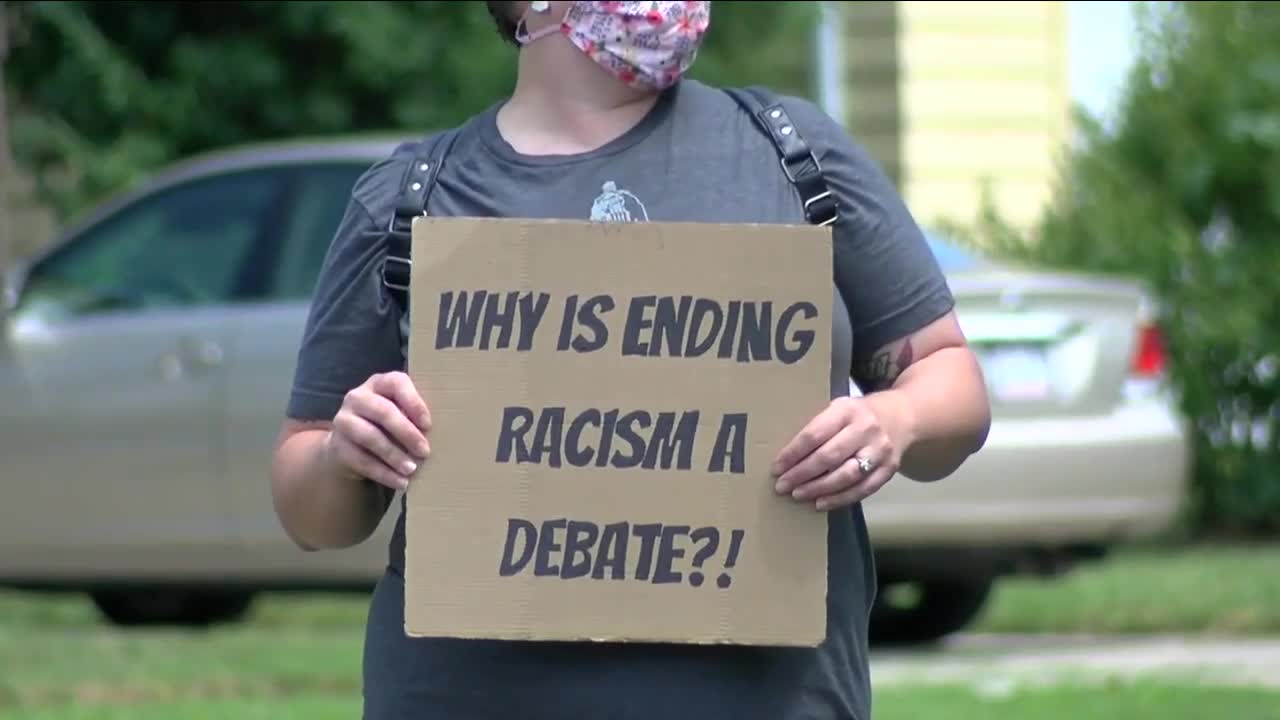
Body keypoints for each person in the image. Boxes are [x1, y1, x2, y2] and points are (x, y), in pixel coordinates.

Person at [269, 2, 992, 718]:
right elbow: (309, 512)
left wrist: (894, 420)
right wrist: (343, 454)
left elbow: (949, 380)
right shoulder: (408, 201)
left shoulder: (795, 156)